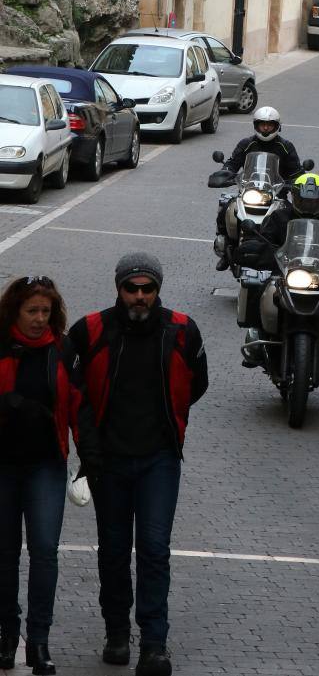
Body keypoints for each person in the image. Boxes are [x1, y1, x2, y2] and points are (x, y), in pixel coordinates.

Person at [68, 254, 208, 676]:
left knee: (153, 549)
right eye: (133, 288)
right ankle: (115, 632)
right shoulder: (90, 331)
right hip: (108, 462)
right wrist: (90, 454)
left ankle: (154, 644)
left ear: (158, 289)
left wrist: (169, 424)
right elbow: (75, 396)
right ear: (119, 288)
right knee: (112, 552)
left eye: (148, 288)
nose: (140, 296)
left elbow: (197, 383)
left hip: (159, 460)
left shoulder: (182, 330)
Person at [0, 276, 100, 676]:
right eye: (32, 311)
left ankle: (39, 640)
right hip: (3, 466)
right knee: (4, 555)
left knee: (44, 551)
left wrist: (89, 455)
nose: (39, 319)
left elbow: (79, 405)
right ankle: (7, 634)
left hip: (46, 466)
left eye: (45, 312)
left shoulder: (63, 351)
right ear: (15, 311)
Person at [215, 106, 303, 271]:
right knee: (226, 208)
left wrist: (297, 182)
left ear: (277, 126)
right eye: (262, 124)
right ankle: (226, 250)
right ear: (256, 125)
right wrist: (225, 172)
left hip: (277, 195)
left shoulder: (286, 147)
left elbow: (297, 171)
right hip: (249, 192)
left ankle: (290, 257)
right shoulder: (247, 144)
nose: (265, 128)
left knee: (293, 220)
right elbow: (232, 163)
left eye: (269, 125)